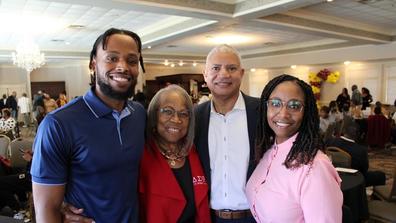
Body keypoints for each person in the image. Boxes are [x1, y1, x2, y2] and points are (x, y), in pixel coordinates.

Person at [30, 27, 146, 223]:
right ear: (93, 64)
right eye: (112, 58)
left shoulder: (139, 114)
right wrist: (61, 210)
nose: (123, 66)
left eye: (132, 61)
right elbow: (46, 209)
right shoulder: (58, 124)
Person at [246, 74, 343, 222]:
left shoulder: (314, 167)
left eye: (294, 106)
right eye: (275, 103)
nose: (283, 114)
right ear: (266, 107)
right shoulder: (269, 151)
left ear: (306, 112)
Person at [194, 44, 259, 222]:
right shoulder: (195, 117)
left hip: (256, 216)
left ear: (242, 73)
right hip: (209, 217)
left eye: (231, 68)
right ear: (205, 75)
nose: (223, 74)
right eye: (216, 68)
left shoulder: (262, 112)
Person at [139, 85, 210, 223]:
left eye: (183, 114)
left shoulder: (195, 153)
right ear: (154, 115)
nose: (176, 120)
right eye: (168, 111)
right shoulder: (140, 157)